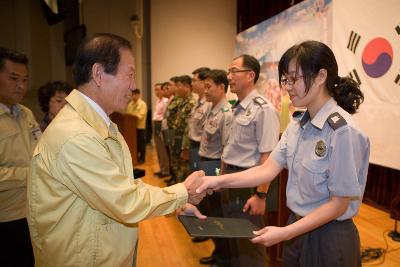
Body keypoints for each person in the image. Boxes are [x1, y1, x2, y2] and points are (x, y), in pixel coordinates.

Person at [27, 33, 205, 267]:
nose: (133, 86)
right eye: (130, 75)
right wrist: (182, 192)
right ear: (99, 74)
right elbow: (124, 201)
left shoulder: (98, 123)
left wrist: (175, 201)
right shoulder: (77, 135)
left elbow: (119, 185)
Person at [197, 40, 369, 267]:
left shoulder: (342, 131)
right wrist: (215, 180)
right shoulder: (297, 126)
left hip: (329, 236)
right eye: (285, 79)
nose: (287, 87)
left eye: (294, 79)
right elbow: (266, 169)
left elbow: (338, 204)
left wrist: (286, 233)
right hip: (296, 227)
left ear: (320, 76)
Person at [219, 54, 280, 267]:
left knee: (250, 247)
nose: (229, 76)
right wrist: (221, 180)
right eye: (228, 71)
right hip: (230, 182)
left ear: (250, 75)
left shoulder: (264, 109)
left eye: (234, 71)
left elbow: (267, 158)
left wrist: (260, 195)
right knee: (233, 241)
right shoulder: (236, 107)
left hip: (248, 186)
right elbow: (229, 150)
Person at [0, 46, 36, 266]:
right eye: (13, 78)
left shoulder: (26, 113)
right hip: (5, 218)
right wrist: (31, 174)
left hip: (31, 214)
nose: (21, 85)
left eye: (25, 79)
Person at [197, 69, 233, 267]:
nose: (205, 90)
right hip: (206, 163)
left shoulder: (226, 113)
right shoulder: (212, 108)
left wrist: (221, 177)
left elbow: (227, 149)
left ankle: (224, 258)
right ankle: (217, 251)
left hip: (215, 167)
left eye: (209, 86)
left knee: (218, 215)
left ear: (221, 87)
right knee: (210, 212)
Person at [185, 67, 211, 172]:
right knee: (193, 172)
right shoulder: (198, 102)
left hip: (201, 147)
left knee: (199, 177)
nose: (192, 84)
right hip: (193, 145)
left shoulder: (209, 104)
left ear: (204, 82)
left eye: (194, 80)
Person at [152, 82, 170, 177]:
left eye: (158, 89)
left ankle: (166, 170)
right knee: (158, 148)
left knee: (163, 148)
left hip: (161, 125)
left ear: (163, 90)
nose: (157, 92)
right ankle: (161, 168)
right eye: (155, 90)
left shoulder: (165, 101)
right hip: (156, 124)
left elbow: (164, 116)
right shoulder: (158, 101)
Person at [127, 88, 148, 164]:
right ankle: (136, 158)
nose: (133, 96)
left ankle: (142, 158)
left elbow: (140, 115)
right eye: (132, 94)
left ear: (139, 95)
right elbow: (128, 115)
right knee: (134, 144)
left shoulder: (142, 104)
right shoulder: (130, 104)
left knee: (141, 144)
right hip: (131, 128)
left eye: (135, 94)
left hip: (140, 127)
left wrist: (132, 116)